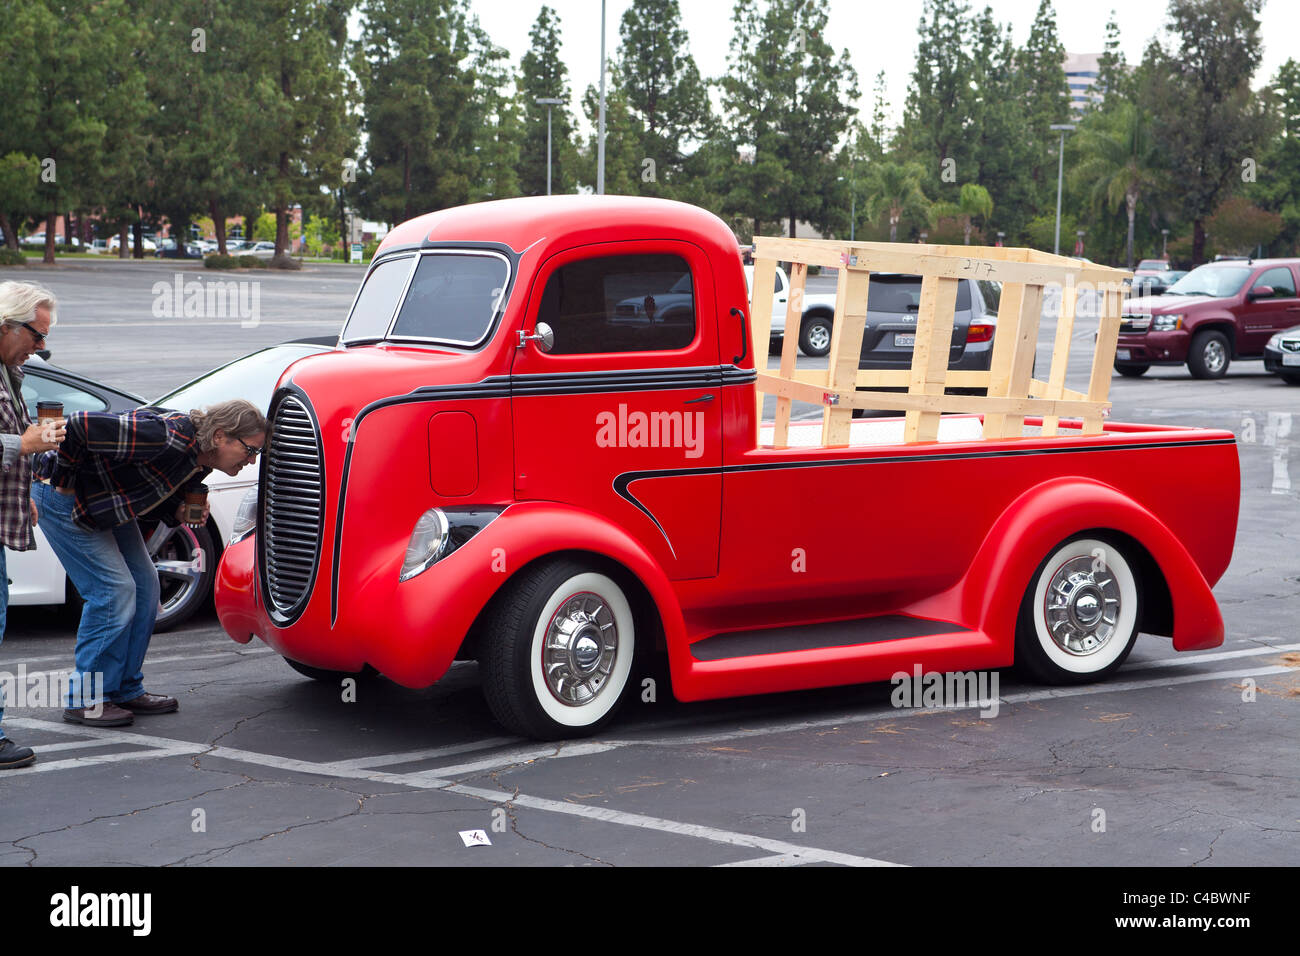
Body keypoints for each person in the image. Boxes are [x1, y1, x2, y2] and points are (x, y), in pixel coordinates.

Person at [32, 399, 267, 727]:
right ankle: (86, 699)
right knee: (114, 591)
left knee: (145, 586)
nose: (252, 460)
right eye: (250, 449)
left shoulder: (200, 459)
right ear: (220, 436)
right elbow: (80, 426)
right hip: (64, 498)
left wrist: (176, 510)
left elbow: (145, 485)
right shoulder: (166, 436)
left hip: (104, 500)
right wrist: (65, 480)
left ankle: (125, 688)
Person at [0, 281, 66, 769]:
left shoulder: (9, 372)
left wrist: (23, 491)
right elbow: (12, 441)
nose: (41, 346)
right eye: (36, 335)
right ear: (5, 325)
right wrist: (20, 447)